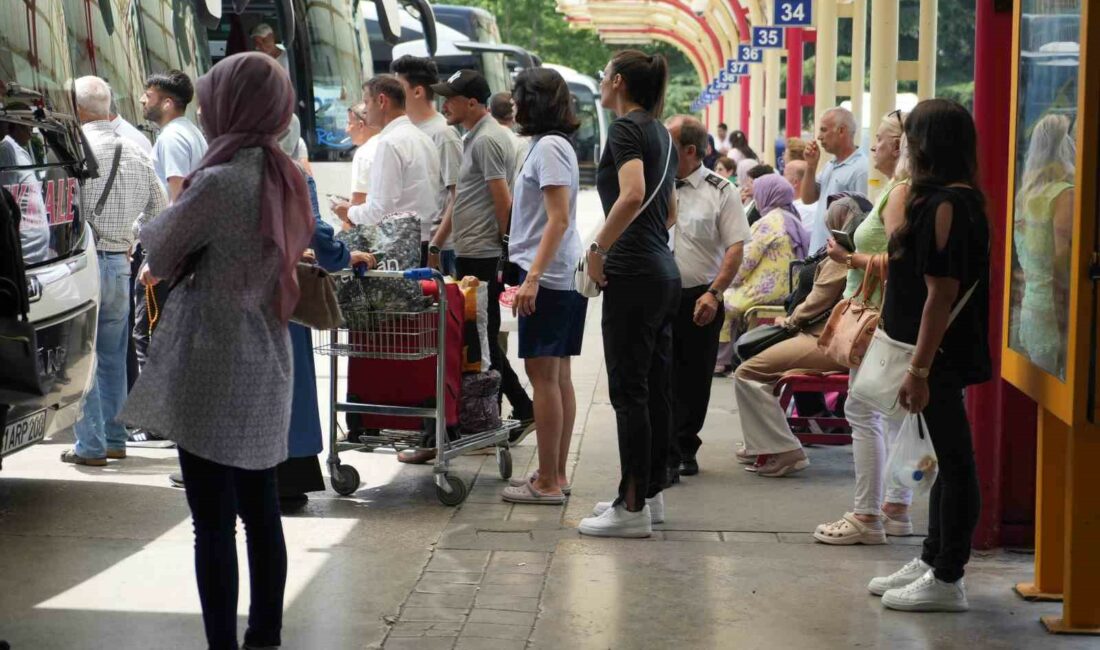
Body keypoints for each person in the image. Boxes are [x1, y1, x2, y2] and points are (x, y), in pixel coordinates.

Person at [119, 51, 315, 648]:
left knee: (212, 523)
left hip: (211, 358)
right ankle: (266, 633)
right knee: (261, 511)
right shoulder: (286, 176)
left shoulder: (218, 179)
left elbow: (162, 250)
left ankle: (221, 643)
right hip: (268, 352)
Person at [869, 99, 990, 613]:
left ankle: (947, 575)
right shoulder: (947, 199)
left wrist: (918, 369)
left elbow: (940, 294)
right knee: (942, 459)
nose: (905, 146)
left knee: (956, 462)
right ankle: (932, 558)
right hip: (934, 351)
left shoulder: (947, 205)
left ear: (927, 143)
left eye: (911, 136)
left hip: (937, 354)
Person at [578, 50, 679, 538]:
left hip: (634, 275)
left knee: (629, 392)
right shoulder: (662, 132)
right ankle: (650, 495)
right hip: (663, 273)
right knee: (654, 389)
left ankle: (632, 506)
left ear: (617, 82)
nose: (600, 83)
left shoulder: (624, 129)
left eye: (602, 75)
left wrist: (598, 247)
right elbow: (670, 211)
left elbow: (633, 193)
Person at [814, 110, 915, 545]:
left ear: (899, 146)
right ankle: (894, 506)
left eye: (880, 139)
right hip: (883, 313)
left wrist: (850, 259)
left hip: (878, 314)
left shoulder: (901, 193)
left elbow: (905, 264)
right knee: (889, 412)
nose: (872, 146)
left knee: (862, 409)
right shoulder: (898, 189)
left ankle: (868, 514)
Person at [61, 77, 166, 467]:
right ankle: (116, 438)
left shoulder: (76, 150)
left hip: (86, 264)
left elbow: (68, 210)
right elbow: (160, 208)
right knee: (112, 356)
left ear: (76, 108)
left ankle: (90, 446)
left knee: (82, 358)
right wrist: (134, 238)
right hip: (122, 264)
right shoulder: (138, 148)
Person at [427, 70, 534, 446]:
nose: (445, 105)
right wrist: (438, 244)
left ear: (472, 102)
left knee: (481, 344)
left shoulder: (488, 139)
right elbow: (463, 200)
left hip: (484, 256)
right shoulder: (473, 137)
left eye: (451, 98)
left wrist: (506, 251)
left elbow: (501, 198)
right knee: (476, 340)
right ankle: (510, 411)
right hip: (470, 251)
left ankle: (515, 411)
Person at [733, 196, 868, 478]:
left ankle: (784, 449)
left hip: (825, 339)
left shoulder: (841, 254)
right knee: (752, 365)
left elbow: (817, 301)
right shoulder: (838, 250)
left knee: (748, 372)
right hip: (820, 333)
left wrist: (790, 322)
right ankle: (763, 442)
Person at [499, 68, 586, 505]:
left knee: (544, 377)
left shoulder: (549, 148)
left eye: (517, 98)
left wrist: (531, 278)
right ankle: (555, 472)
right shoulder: (552, 146)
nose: (513, 106)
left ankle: (549, 481)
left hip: (547, 277)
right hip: (556, 274)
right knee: (557, 377)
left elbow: (559, 218)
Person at [278, 131, 375, 505]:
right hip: (280, 296)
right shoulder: (290, 171)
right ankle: (287, 481)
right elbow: (315, 229)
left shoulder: (217, 167)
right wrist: (342, 256)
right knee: (292, 383)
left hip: (229, 297)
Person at [664, 115, 749, 480]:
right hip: (659, 292)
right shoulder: (655, 183)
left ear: (690, 150)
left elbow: (735, 248)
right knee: (659, 371)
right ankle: (661, 444)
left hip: (702, 295)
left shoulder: (721, 190)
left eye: (669, 143)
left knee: (694, 375)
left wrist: (715, 293)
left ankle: (685, 446)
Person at [133, 69, 208, 448]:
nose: (143, 100)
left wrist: (160, 259)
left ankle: (160, 422)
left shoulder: (174, 137)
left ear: (166, 101)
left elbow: (179, 202)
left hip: (176, 253)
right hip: (190, 252)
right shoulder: (191, 134)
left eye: (148, 94)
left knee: (150, 333)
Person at [333, 75, 441, 261]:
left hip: (399, 249)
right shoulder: (423, 138)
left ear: (382, 101)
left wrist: (348, 212)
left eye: (367, 102)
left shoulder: (389, 143)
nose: (365, 109)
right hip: (423, 242)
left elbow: (381, 211)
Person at [1012, 112, 1075, 377]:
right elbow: (1063, 252)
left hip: (1031, 303)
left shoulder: (1025, 195)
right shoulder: (1064, 193)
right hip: (1055, 303)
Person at [390, 56, 463, 274]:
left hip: (437, 247)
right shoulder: (405, 130)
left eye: (399, 86)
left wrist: (435, 246)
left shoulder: (443, 134)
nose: (393, 93)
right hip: (409, 242)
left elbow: (457, 196)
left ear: (418, 91)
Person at [720, 174, 808, 347]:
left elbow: (744, 262)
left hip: (767, 290)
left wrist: (726, 282)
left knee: (719, 300)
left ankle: (722, 358)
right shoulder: (793, 218)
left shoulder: (767, 223)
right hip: (791, 291)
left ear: (767, 195)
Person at [802, 107, 869, 249]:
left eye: (824, 130)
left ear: (842, 131)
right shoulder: (830, 165)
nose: (819, 136)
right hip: (819, 252)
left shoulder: (861, 168)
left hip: (838, 257)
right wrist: (811, 166)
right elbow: (808, 198)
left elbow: (863, 219)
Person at [0, 111, 49, 264]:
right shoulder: (7, 149)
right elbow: (8, 198)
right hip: (24, 252)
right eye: (27, 125)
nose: (30, 131)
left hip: (32, 251)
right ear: (14, 125)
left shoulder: (17, 148)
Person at [345, 103, 379, 209]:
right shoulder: (391, 142)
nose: (346, 130)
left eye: (349, 123)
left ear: (360, 125)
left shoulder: (364, 153)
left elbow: (359, 201)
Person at [490, 91, 531, 177]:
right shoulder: (521, 143)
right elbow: (518, 178)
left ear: (489, 111)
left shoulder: (468, 138)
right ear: (514, 113)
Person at [784, 160, 816, 226]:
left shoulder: (794, 211)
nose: (781, 179)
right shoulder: (818, 205)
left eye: (784, 175)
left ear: (795, 182)